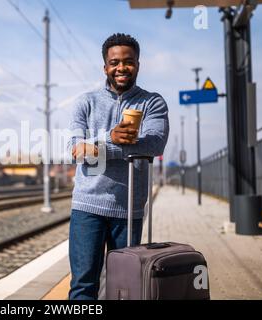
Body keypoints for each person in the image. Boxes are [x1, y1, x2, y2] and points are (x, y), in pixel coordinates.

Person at [68, 33, 170, 300]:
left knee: (124, 286)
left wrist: (101, 148)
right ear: (105, 67)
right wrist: (110, 138)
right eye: (114, 62)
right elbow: (77, 151)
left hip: (129, 209)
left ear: (137, 64)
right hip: (86, 206)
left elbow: (154, 145)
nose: (121, 67)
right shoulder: (85, 102)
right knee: (83, 286)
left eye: (128, 61)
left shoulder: (152, 102)